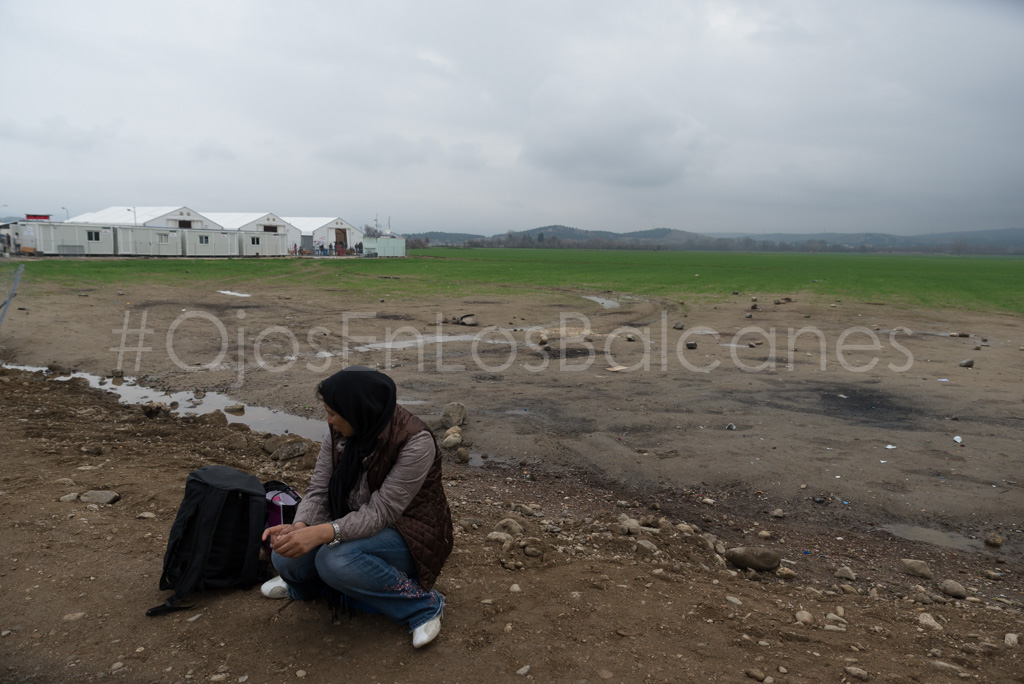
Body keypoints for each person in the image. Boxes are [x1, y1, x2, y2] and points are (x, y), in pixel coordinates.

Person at [261, 367, 454, 648]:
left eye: (333, 413)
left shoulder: (415, 441)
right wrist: (300, 527)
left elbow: (381, 513)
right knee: (285, 557)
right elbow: (318, 490)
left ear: (359, 411)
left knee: (335, 560)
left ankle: (423, 605)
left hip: (408, 532)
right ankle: (308, 588)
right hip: (353, 521)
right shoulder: (339, 432)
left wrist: (322, 533)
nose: (328, 420)